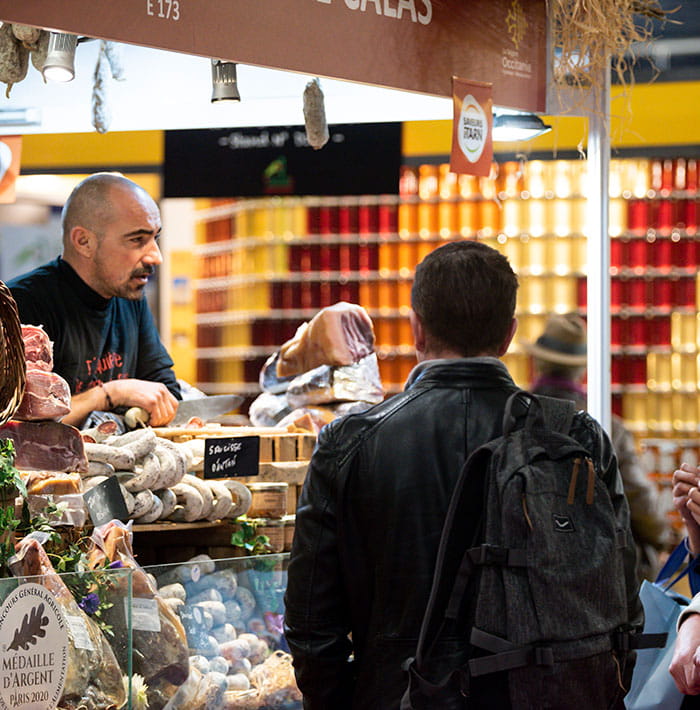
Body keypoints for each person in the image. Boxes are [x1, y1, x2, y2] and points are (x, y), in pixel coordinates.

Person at [284, 240, 642, 709]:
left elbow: (312, 623)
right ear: (510, 334)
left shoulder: (349, 442)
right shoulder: (576, 437)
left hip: (396, 694)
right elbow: (623, 600)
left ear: (416, 327)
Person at [7, 172, 180, 428]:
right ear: (84, 242)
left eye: (155, 238)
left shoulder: (129, 296)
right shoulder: (21, 304)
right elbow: (18, 421)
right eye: (137, 240)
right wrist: (109, 395)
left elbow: (165, 393)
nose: (155, 257)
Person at [523, 312, 672, 582]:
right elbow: (641, 503)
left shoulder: (513, 417)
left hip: (528, 570)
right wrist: (663, 538)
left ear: (537, 362)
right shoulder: (608, 425)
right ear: (582, 369)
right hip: (597, 574)